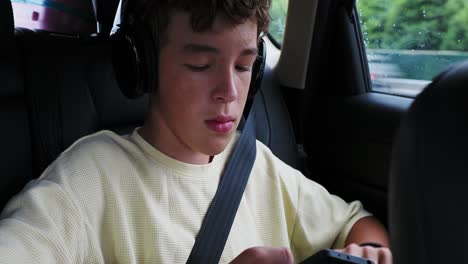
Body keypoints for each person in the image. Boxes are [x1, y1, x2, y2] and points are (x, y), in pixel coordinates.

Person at [0, 0, 392, 263]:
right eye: (201, 65)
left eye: (243, 66)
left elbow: (355, 222)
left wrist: (369, 251)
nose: (229, 92)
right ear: (144, 68)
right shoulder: (89, 180)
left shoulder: (262, 169)